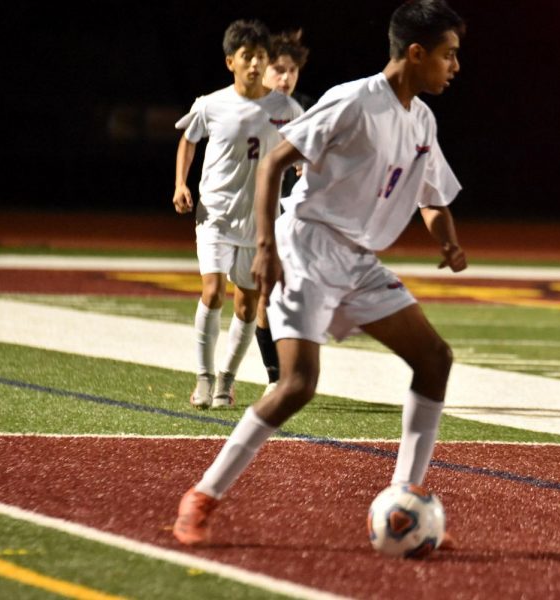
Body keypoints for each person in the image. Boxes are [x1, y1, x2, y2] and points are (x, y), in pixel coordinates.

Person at [173, 0, 466, 547]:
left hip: (357, 260)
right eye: (449, 55)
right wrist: (266, 247)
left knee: (434, 359)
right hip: (307, 246)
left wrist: (447, 241)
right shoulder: (353, 100)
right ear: (416, 52)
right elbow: (273, 163)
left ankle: (406, 499)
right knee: (297, 386)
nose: (455, 66)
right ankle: (203, 495)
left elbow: (433, 196)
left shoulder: (422, 120)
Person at [172, 19, 304, 410]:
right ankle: (203, 377)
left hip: (257, 221)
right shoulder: (211, 104)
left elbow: (306, 143)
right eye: (247, 57)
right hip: (214, 214)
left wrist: (304, 164)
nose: (254, 64)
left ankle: (227, 381)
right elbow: (188, 140)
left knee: (247, 305)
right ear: (231, 61)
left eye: (260, 57)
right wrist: (181, 183)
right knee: (212, 292)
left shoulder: (285, 108)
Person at [254, 29, 311, 397]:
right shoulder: (244, 107)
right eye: (278, 69)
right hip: (248, 217)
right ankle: (218, 373)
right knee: (252, 297)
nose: (285, 77)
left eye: (291, 70)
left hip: (288, 217)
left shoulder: (303, 112)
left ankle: (276, 376)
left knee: (277, 292)